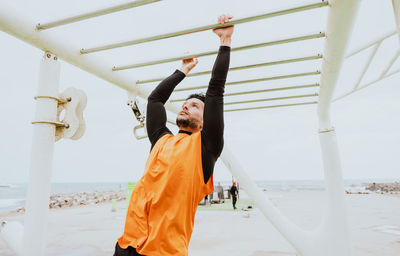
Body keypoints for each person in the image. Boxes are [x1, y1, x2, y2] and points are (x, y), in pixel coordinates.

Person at [114, 14, 234, 256]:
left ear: (205, 121)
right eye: (185, 103)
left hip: (165, 252)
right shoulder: (161, 140)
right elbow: (155, 100)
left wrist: (225, 42)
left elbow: (215, 92)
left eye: (195, 106)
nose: (186, 106)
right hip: (127, 245)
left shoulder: (206, 148)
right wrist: (181, 71)